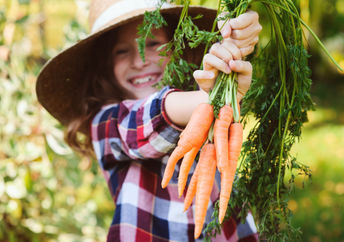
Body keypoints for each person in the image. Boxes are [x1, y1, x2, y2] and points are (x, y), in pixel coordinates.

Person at [36, 0, 262, 241]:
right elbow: (151, 118)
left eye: (153, 43)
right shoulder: (106, 124)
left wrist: (236, 41)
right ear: (105, 65)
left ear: (178, 48)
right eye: (122, 51)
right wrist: (208, 100)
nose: (139, 60)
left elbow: (216, 90)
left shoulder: (198, 95)